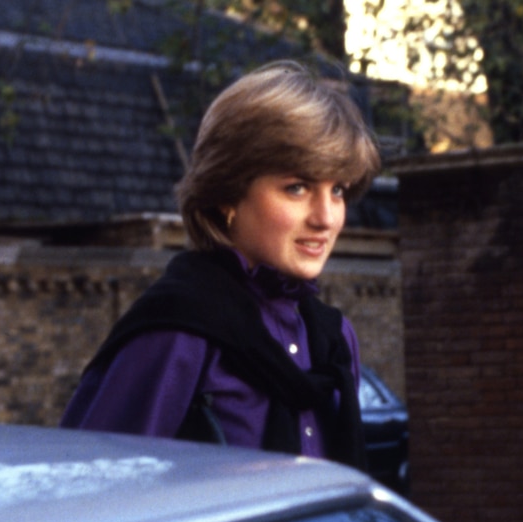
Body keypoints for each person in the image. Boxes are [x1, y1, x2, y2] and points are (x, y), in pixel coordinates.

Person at [60, 60, 381, 469]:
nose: (326, 218)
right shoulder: (178, 331)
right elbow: (88, 486)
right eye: (297, 188)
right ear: (227, 194)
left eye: (337, 190)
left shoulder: (334, 340)